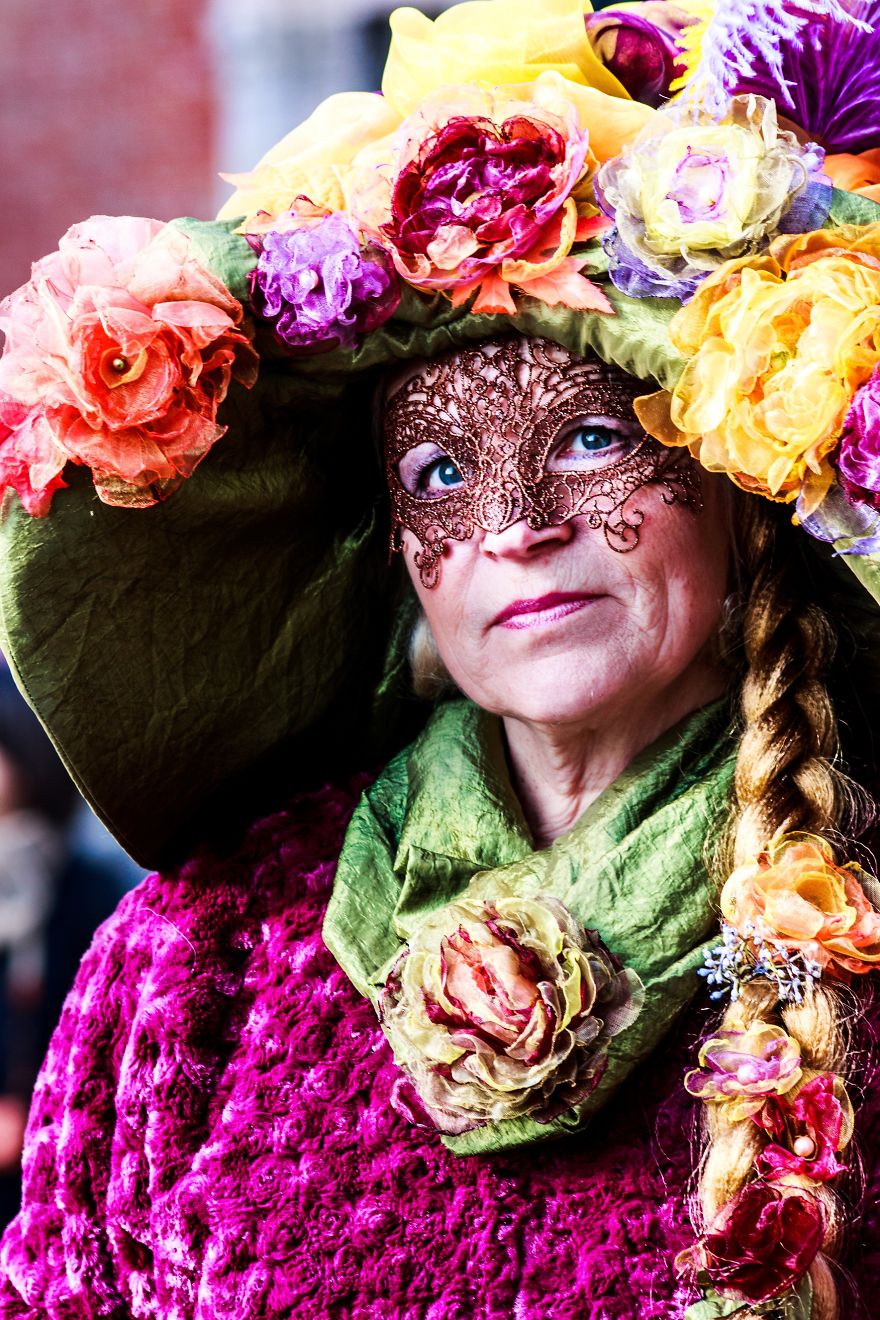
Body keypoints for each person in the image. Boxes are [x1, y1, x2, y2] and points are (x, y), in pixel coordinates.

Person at [1, 1, 880, 1316]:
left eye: (590, 441)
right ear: (394, 546)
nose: (517, 530)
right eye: (441, 471)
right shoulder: (200, 957)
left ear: (739, 488)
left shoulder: (849, 936)